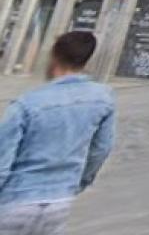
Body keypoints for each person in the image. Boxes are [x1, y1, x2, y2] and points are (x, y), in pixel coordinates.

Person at [0, 32, 116, 234]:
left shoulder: (27, 103)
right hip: (59, 200)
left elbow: (2, 158)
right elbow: (101, 149)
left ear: (54, 57)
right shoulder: (103, 98)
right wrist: (79, 182)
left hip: (16, 199)